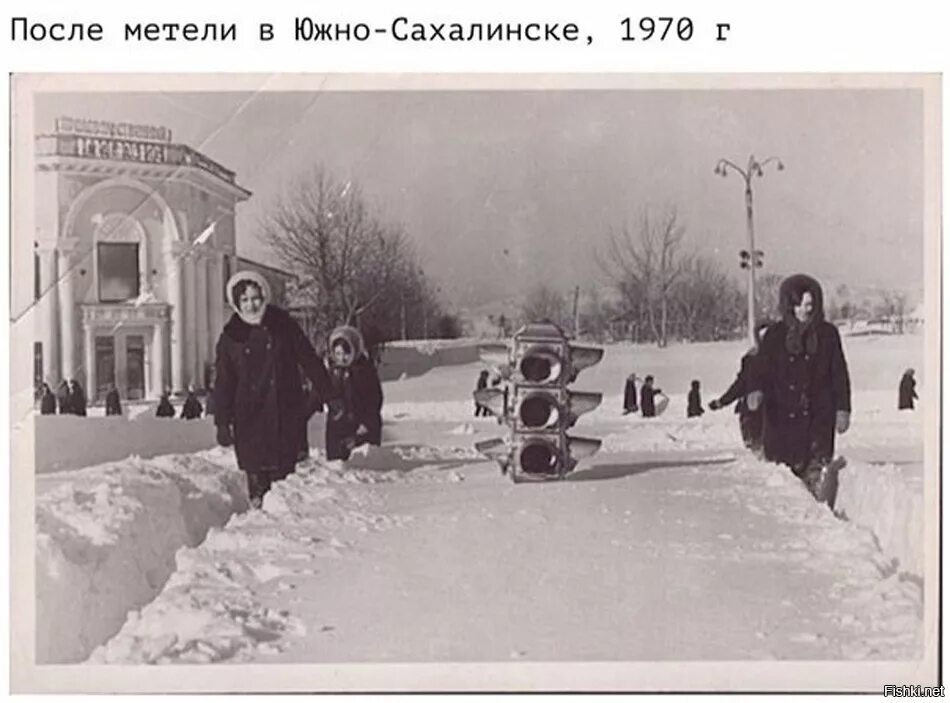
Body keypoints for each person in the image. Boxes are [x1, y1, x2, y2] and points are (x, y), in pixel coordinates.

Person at [214, 271, 335, 508]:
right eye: (245, 300)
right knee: (258, 486)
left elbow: (309, 359)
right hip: (249, 420)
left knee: (284, 489)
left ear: (264, 296)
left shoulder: (283, 325)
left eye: (255, 298)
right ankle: (258, 524)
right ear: (236, 303)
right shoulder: (231, 337)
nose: (251, 305)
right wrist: (221, 421)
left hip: (284, 415)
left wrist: (329, 394)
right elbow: (224, 382)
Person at [748, 274, 851, 502]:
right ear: (789, 305)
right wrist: (756, 390)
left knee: (816, 475)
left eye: (810, 305)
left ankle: (820, 512)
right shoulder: (775, 335)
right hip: (782, 421)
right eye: (801, 305)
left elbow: (839, 374)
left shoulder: (827, 335)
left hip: (818, 419)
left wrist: (842, 409)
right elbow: (759, 370)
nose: (806, 310)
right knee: (787, 486)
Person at [325, 325, 384, 462]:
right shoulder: (332, 373)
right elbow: (319, 394)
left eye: (346, 353)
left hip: (362, 428)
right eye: (338, 354)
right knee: (337, 470)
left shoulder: (365, 371)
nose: (342, 358)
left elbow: (375, 399)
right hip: (337, 429)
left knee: (361, 466)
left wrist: (367, 423)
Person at [709, 322, 770, 453]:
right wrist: (722, 401)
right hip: (755, 412)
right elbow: (741, 384)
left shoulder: (786, 359)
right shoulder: (751, 359)